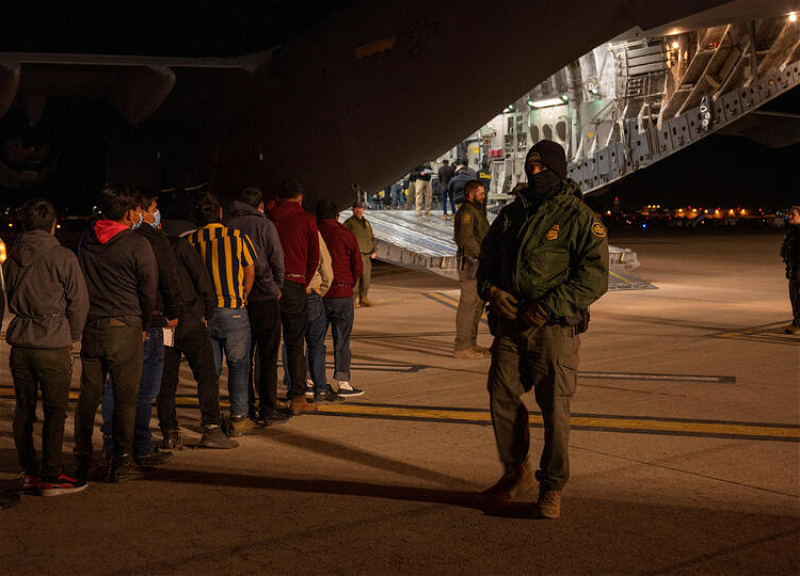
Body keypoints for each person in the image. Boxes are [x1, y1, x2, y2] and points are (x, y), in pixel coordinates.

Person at [477, 140, 609, 519]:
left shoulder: (579, 217)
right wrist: (492, 291)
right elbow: (486, 261)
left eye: (541, 168)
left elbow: (594, 277)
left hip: (553, 329)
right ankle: (516, 471)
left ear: (557, 172)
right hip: (510, 326)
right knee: (501, 394)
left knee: (555, 411)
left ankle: (551, 486)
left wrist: (548, 306)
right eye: (530, 167)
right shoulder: (511, 214)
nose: (534, 174)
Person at [4, 198, 89, 495]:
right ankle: (52, 474)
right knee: (55, 412)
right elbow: (79, 302)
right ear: (53, 225)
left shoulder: (13, 258)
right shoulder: (62, 256)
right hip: (52, 343)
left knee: (23, 411)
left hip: (21, 342)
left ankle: (29, 471)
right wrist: (71, 336)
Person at [75, 183, 158, 482]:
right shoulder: (137, 244)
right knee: (125, 397)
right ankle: (121, 459)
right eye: (137, 209)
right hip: (124, 326)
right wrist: (144, 324)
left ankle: (83, 456)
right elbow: (149, 289)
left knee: (89, 395)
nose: (139, 214)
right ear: (128, 213)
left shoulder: (87, 239)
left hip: (92, 325)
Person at [100, 192, 182, 466]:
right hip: (145, 321)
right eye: (153, 208)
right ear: (137, 211)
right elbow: (164, 281)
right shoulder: (150, 240)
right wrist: (171, 313)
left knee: (115, 386)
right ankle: (140, 445)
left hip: (109, 321)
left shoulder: (100, 238)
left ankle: (112, 443)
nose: (155, 214)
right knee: (144, 388)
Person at [157, 197, 239, 450]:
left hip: (161, 321)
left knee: (167, 380)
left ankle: (170, 432)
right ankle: (212, 427)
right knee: (205, 374)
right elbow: (202, 280)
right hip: (188, 317)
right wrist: (207, 313)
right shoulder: (179, 245)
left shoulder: (141, 248)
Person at [187, 193, 259, 436]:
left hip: (204, 314)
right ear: (219, 213)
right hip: (233, 308)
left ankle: (212, 419)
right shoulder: (236, 237)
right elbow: (250, 271)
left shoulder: (191, 241)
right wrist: (242, 296)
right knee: (238, 366)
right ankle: (239, 417)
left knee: (210, 371)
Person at [226, 187, 289, 426]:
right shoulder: (264, 225)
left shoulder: (229, 225)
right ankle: (267, 407)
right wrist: (276, 286)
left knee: (243, 359)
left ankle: (246, 408)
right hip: (264, 298)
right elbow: (277, 259)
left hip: (239, 299)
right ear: (259, 205)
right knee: (267, 357)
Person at [268, 179, 319, 415]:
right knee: (295, 344)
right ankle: (298, 398)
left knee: (266, 345)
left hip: (269, 286)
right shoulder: (307, 220)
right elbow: (313, 257)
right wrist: (302, 281)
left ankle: (267, 399)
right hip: (295, 283)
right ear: (300, 197)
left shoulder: (269, 218)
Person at [316, 199, 364, 397]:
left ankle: (311, 380)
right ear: (337, 216)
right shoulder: (346, 234)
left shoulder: (314, 233)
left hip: (319, 294)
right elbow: (358, 266)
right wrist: (348, 285)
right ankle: (343, 383)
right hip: (342, 293)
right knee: (342, 341)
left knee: (315, 340)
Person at [453, 180, 490, 359]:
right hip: (471, 263)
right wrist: (482, 254)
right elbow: (465, 239)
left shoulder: (477, 211)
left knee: (477, 304)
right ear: (471, 195)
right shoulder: (467, 212)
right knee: (468, 305)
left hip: (479, 262)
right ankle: (462, 347)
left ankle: (471, 343)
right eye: (480, 193)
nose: (484, 196)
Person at [343, 201, 376, 307]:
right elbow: (344, 238)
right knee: (355, 278)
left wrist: (373, 250)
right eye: (355, 208)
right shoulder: (349, 223)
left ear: (363, 209)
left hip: (366, 255)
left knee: (366, 278)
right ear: (353, 210)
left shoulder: (366, 223)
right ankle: (352, 300)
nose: (357, 210)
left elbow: (371, 237)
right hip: (355, 255)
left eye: (359, 208)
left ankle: (364, 298)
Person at [781, 205, 800, 335]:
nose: (790, 216)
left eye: (793, 214)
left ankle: (798, 324)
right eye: (789, 214)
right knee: (794, 295)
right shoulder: (792, 232)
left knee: (797, 295)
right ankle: (796, 321)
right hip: (793, 267)